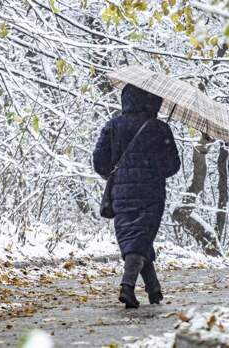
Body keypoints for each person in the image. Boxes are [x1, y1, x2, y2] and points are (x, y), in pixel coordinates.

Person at [93, 84, 181, 308]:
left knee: (136, 238)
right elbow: (172, 167)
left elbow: (99, 162)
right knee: (140, 237)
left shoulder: (113, 126)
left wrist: (116, 172)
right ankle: (127, 286)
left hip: (121, 192)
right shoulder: (159, 128)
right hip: (151, 193)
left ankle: (154, 289)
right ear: (154, 101)